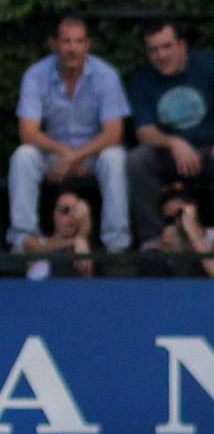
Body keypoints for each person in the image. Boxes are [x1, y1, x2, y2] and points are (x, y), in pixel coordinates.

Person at [127, 19, 214, 246]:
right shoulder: (142, 80)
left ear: (182, 45)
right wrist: (174, 142)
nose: (161, 55)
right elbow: (144, 132)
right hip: (170, 156)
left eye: (167, 46)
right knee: (137, 159)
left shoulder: (210, 65)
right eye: (153, 49)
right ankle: (151, 242)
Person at [11, 14, 130, 254]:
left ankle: (117, 246)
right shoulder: (35, 75)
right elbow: (28, 132)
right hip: (54, 154)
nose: (73, 49)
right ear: (53, 44)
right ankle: (23, 242)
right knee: (23, 155)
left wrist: (77, 156)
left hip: (93, 154)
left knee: (115, 157)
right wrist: (66, 154)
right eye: (66, 41)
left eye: (79, 42)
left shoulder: (106, 75)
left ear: (87, 45)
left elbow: (113, 134)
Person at [147, 182, 214, 279]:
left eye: (180, 213)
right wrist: (165, 248)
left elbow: (213, 270)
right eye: (170, 218)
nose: (177, 221)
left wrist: (193, 233)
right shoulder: (162, 241)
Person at [16, 187, 96, 280]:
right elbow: (40, 249)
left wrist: (85, 222)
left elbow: (86, 276)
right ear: (53, 214)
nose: (71, 215)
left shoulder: (82, 246)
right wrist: (77, 240)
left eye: (76, 210)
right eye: (65, 210)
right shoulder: (34, 241)